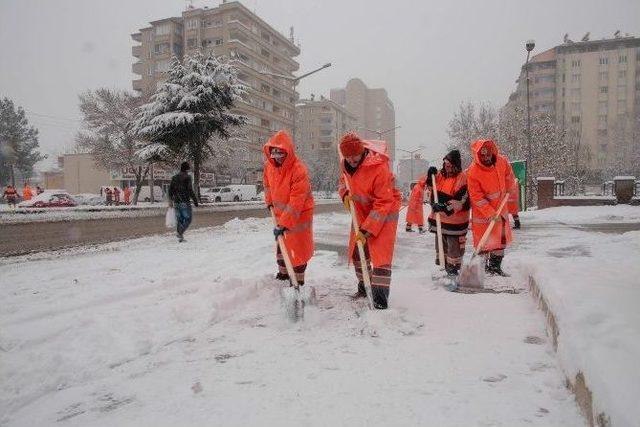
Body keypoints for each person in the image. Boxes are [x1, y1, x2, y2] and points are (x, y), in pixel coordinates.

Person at [338, 132, 402, 309]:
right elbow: (343, 183)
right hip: (360, 212)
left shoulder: (378, 167)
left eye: (355, 156)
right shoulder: (345, 164)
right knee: (358, 252)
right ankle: (364, 286)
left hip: (384, 213)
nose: (351, 160)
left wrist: (367, 229)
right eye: (348, 157)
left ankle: (380, 298)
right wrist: (344, 195)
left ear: (362, 152)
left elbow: (384, 201)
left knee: (380, 256)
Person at [263, 130, 314, 286]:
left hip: (299, 216)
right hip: (280, 215)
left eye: (281, 154)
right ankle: (284, 276)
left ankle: (298, 283)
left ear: (288, 152)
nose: (277, 158)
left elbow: (296, 201)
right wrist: (269, 201)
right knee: (282, 246)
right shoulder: (269, 167)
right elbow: (267, 185)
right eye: (274, 154)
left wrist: (284, 224)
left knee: (297, 249)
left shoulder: (298, 170)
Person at [466, 139, 518, 276]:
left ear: (492, 152)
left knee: (500, 241)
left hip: (501, 210)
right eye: (482, 156)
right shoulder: (473, 172)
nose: (486, 158)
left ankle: (495, 268)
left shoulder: (502, 161)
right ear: (477, 155)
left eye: (487, 155)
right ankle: (478, 271)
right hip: (482, 215)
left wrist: (511, 187)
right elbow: (476, 196)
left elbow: (509, 175)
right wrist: (489, 212)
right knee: (483, 243)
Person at [426, 149, 470, 277]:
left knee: (454, 249)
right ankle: (446, 270)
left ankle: (454, 271)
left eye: (450, 165)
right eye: (446, 164)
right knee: (442, 247)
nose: (448, 167)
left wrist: (444, 207)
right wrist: (430, 177)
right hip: (441, 221)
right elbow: (431, 189)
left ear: (456, 165)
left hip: (455, 223)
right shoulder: (440, 175)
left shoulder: (462, 178)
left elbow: (461, 200)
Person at [168, 161, 199, 242]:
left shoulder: (174, 177)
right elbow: (190, 190)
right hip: (185, 201)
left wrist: (171, 200)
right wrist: (195, 200)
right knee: (188, 219)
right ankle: (180, 233)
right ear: (187, 169)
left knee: (180, 220)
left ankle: (180, 238)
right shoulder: (187, 177)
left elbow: (170, 190)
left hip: (176, 202)